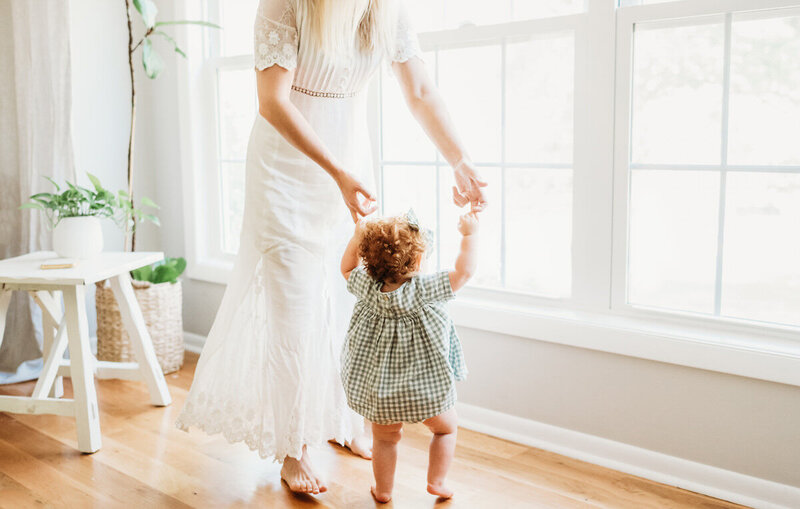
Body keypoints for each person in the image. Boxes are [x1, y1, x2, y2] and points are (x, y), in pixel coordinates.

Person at [176, 0, 487, 495]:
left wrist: (460, 160)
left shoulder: (386, 10)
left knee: (351, 304)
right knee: (293, 309)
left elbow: (421, 90)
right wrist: (335, 171)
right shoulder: (284, 5)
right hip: (287, 169)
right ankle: (293, 447)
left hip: (349, 165)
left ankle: (351, 420)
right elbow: (272, 102)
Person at [340, 210, 479, 502]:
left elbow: (346, 268)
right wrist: (469, 235)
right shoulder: (425, 290)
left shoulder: (367, 287)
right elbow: (464, 272)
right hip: (425, 391)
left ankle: (383, 490)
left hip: (383, 393)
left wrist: (356, 237)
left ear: (370, 261)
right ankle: (437, 481)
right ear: (417, 261)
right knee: (445, 430)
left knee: (385, 439)